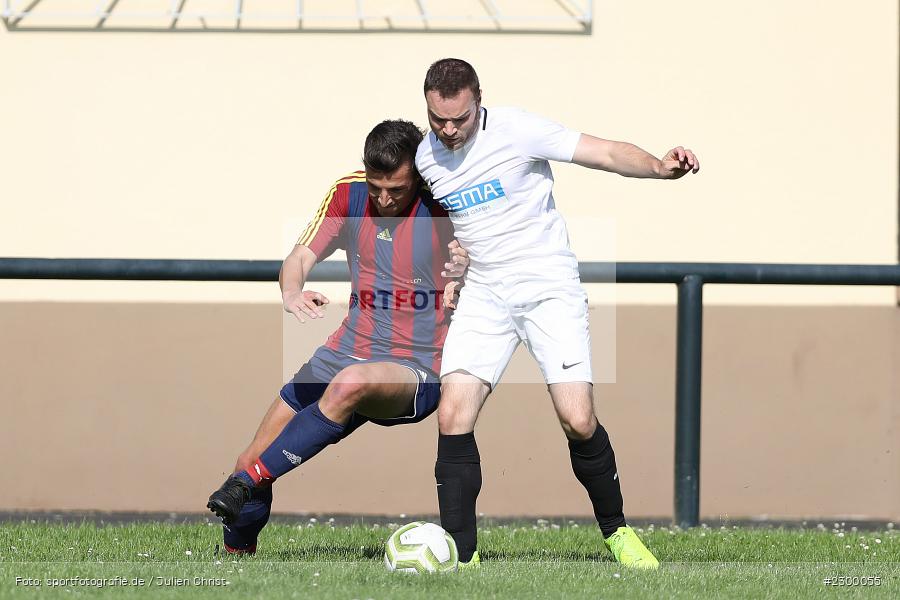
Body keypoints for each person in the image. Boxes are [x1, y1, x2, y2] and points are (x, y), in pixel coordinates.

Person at [415, 58, 700, 570]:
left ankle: (618, 534)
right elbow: (441, 225)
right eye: (439, 119)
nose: (449, 130)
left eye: (459, 118)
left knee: (577, 418)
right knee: (452, 415)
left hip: (548, 285)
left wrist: (659, 167)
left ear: (479, 101)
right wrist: (452, 266)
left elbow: (606, 152)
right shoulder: (425, 157)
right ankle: (463, 555)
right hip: (484, 292)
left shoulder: (519, 130)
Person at [206, 119, 468, 554]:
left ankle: (247, 482)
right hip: (345, 350)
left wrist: (465, 271)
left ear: (417, 177)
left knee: (351, 384)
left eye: (397, 190)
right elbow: (300, 255)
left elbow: (480, 257)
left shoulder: (443, 199)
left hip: (416, 366)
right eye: (377, 186)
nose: (384, 199)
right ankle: (236, 557)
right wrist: (291, 292)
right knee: (250, 456)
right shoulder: (348, 193)